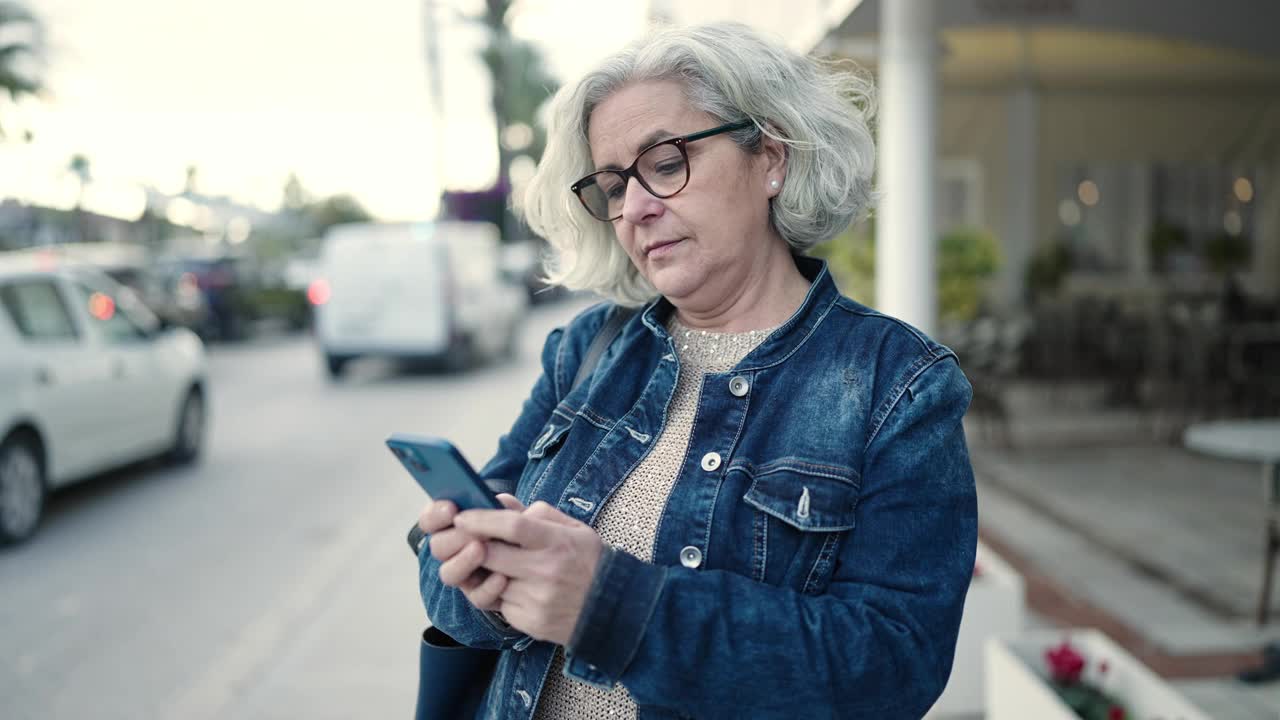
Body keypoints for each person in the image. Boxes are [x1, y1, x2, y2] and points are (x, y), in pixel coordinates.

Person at [417, 22, 977, 720]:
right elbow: (454, 566)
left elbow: (893, 668)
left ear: (770, 158)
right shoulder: (588, 348)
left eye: (665, 162)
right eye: (614, 185)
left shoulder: (897, 384)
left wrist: (612, 609)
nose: (638, 208)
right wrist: (473, 576)